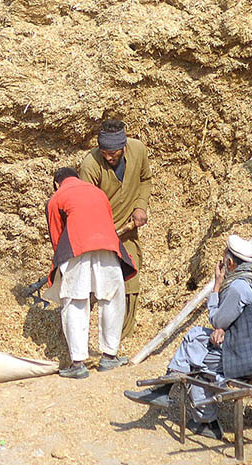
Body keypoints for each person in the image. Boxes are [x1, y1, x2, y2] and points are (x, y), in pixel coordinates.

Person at [123, 235, 252, 440]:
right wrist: (224, 328)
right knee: (195, 339)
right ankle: (194, 413)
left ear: (230, 263)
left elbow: (217, 319)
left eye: (224, 259)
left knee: (194, 357)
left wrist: (216, 285)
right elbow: (243, 320)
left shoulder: (240, 286)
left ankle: (174, 396)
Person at [45, 167, 137, 379]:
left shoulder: (56, 198)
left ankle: (78, 363)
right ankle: (109, 357)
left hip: (76, 249)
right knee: (112, 298)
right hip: (107, 247)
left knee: (76, 301)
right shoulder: (98, 192)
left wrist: (60, 266)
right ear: (77, 177)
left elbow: (57, 238)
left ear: (57, 183)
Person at [80, 119, 151, 342]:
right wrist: (101, 234)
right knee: (95, 288)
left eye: (114, 152)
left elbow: (145, 179)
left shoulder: (138, 150)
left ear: (124, 146)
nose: (109, 157)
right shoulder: (90, 165)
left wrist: (140, 206)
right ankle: (85, 338)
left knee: (131, 282)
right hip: (100, 236)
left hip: (126, 234)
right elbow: (86, 207)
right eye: (105, 153)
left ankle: (123, 338)